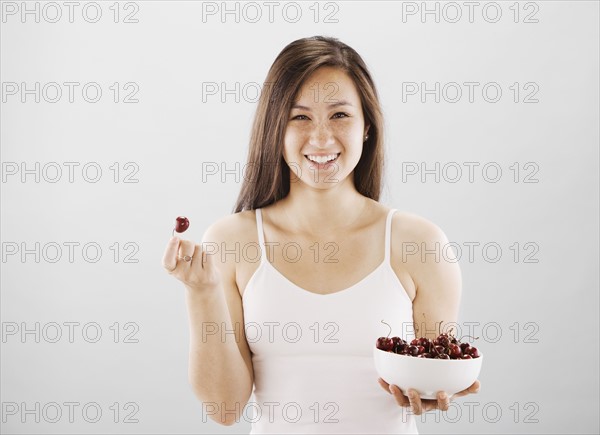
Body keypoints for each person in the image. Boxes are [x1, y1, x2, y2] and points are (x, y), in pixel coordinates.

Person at [162, 35, 480, 434]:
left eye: (340, 115)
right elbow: (224, 408)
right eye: (300, 117)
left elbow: (435, 367)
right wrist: (201, 291)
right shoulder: (232, 240)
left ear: (367, 127)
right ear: (274, 130)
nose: (321, 138)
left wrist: (436, 389)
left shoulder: (420, 243)